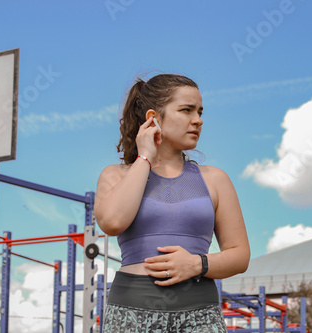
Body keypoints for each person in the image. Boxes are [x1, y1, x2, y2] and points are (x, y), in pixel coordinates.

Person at [94, 73, 250, 332]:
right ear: (153, 118)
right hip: (131, 311)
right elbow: (112, 222)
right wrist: (144, 157)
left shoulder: (216, 179)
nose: (197, 120)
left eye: (200, 112)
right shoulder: (115, 175)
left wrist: (197, 264)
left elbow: (240, 255)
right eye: (186, 110)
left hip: (201, 313)